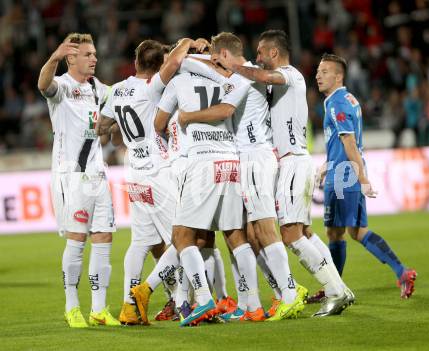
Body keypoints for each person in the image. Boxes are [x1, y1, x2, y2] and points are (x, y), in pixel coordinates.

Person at [221, 29, 353, 316]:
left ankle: (334, 290)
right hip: (293, 162)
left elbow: (267, 77)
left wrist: (234, 65)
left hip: (293, 161)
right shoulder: (281, 83)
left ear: (273, 53)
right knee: (304, 231)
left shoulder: (290, 74)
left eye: (259, 53)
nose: (257, 59)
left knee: (290, 235)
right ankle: (340, 287)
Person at [178, 32, 305, 321]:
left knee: (264, 227)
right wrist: (202, 50)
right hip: (244, 159)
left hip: (256, 157)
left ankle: (289, 292)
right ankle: (255, 303)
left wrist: (188, 116)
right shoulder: (238, 74)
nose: (214, 64)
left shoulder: (245, 75)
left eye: (217, 59)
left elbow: (224, 108)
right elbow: (203, 67)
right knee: (249, 233)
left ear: (224, 56)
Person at [97, 38, 207, 325]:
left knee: (141, 242)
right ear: (158, 66)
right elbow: (173, 63)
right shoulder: (152, 87)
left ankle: (128, 306)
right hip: (159, 171)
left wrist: (115, 128)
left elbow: (100, 127)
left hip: (133, 171)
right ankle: (179, 301)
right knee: (183, 238)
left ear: (135, 62)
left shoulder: (117, 89)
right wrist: (187, 42)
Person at [156, 57, 265, 323]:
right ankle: (254, 305)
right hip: (230, 160)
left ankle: (204, 299)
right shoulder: (225, 81)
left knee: (182, 236)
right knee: (235, 236)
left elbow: (158, 123)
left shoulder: (179, 81)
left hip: (202, 162)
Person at [315, 53, 417, 299]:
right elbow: (345, 143)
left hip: (344, 177)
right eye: (318, 71)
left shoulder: (337, 102)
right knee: (349, 231)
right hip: (343, 171)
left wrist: (363, 181)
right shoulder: (348, 98)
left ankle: (336, 288)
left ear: (338, 76)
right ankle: (399, 271)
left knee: (343, 232)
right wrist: (328, 164)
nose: (318, 75)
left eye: (325, 71)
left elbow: (349, 142)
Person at [37, 33, 120, 328]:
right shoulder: (63, 87)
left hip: (97, 174)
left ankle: (99, 308)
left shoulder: (100, 88)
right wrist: (54, 56)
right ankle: (72, 306)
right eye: (87, 54)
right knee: (77, 239)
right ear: (71, 58)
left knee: (103, 237)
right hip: (71, 174)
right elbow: (43, 84)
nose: (94, 58)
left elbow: (121, 103)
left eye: (95, 54)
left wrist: (109, 126)